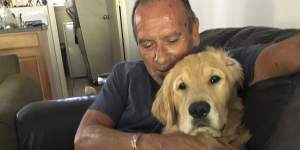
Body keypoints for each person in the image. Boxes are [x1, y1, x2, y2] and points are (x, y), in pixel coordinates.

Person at [74, 0, 300, 149]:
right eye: (147, 44)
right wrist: (153, 144)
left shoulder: (223, 64)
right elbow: (83, 138)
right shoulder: (124, 76)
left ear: (194, 32)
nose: (160, 58)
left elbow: (291, 52)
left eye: (172, 40)